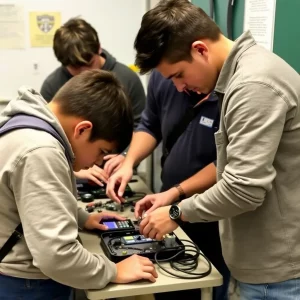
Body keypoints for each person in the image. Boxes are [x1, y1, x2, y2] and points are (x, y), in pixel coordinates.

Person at [109, 0, 300, 299]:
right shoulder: (240, 77)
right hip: (258, 264)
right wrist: (174, 195)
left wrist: (175, 212)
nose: (180, 88)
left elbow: (242, 189)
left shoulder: (254, 85)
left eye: (179, 75)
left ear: (200, 49)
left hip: (278, 274)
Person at [0, 70, 157, 300]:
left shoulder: (26, 124)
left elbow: (28, 203)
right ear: (82, 129)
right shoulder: (42, 151)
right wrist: (113, 270)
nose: (96, 162)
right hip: (25, 286)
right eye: (102, 152)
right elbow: (56, 256)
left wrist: (82, 217)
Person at [107, 69, 230, 299]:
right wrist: (128, 161)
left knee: (211, 282)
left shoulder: (231, 89)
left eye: (178, 75)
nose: (177, 86)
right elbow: (150, 124)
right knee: (169, 286)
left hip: (213, 214)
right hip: (169, 207)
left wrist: (176, 193)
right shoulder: (161, 76)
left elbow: (226, 163)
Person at [41, 17, 146, 186]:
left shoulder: (127, 79)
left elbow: (142, 128)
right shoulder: (52, 85)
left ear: (99, 49)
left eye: (89, 63)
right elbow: (47, 137)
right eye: (75, 68)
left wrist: (125, 158)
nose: (84, 73)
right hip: (73, 178)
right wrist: (75, 170)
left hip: (118, 177)